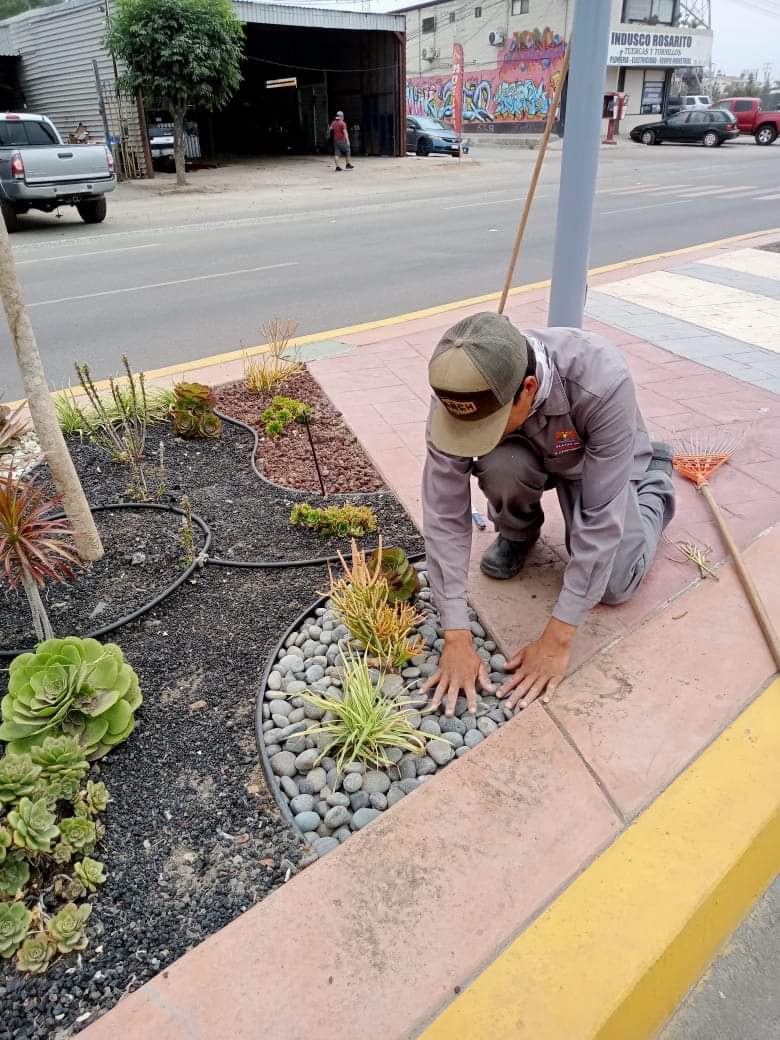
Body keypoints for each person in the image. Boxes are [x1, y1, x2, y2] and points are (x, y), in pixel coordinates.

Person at [420, 311, 675, 716]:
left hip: (588, 463)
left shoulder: (602, 381)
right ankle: (518, 534)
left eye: (488, 425)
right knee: (501, 466)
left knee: (614, 583)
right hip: (522, 457)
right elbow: (443, 513)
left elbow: (601, 516)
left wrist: (558, 639)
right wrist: (455, 633)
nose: (471, 438)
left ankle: (655, 479)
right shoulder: (459, 388)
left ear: (529, 388)